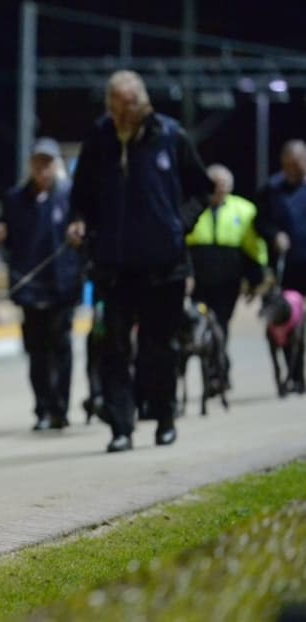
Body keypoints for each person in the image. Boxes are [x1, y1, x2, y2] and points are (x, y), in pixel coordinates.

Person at [67, 70, 212, 453]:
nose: (122, 113)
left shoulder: (170, 135)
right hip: (113, 266)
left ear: (142, 102)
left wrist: (177, 225)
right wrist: (80, 222)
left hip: (165, 265)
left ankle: (164, 417)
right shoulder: (99, 139)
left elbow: (202, 190)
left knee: (158, 348)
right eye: (115, 106)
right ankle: (121, 426)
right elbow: (80, 195)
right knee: (113, 348)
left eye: (128, 105)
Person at [0, 137, 82, 431]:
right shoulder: (14, 199)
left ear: (56, 166)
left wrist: (80, 234)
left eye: (48, 163)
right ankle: (42, 408)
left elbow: (88, 233)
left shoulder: (71, 196)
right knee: (36, 351)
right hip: (29, 286)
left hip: (63, 284)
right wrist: (0, 236)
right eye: (38, 163)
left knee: (61, 346)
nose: (43, 169)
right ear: (31, 165)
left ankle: (60, 408)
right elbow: (7, 239)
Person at [186, 163, 268, 386]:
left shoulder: (244, 210)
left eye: (223, 185)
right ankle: (210, 369)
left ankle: (218, 372)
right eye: (214, 184)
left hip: (227, 281)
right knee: (198, 325)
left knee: (220, 325)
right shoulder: (192, 207)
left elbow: (253, 247)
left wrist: (257, 278)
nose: (219, 189)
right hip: (198, 280)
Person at [254, 139, 306, 392]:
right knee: (287, 322)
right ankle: (294, 374)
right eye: (287, 165)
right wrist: (274, 235)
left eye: (297, 164)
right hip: (287, 267)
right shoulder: (271, 189)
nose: (292, 169)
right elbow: (259, 222)